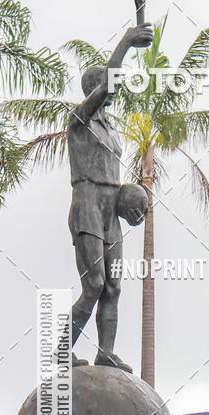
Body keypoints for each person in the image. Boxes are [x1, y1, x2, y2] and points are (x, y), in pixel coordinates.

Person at [65, 22, 153, 372]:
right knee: (94, 285)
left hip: (109, 210)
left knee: (114, 286)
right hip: (87, 205)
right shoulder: (79, 119)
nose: (112, 91)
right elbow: (109, 83)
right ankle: (60, 351)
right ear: (94, 88)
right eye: (106, 85)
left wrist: (133, 199)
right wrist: (128, 42)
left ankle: (106, 351)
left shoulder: (111, 131)